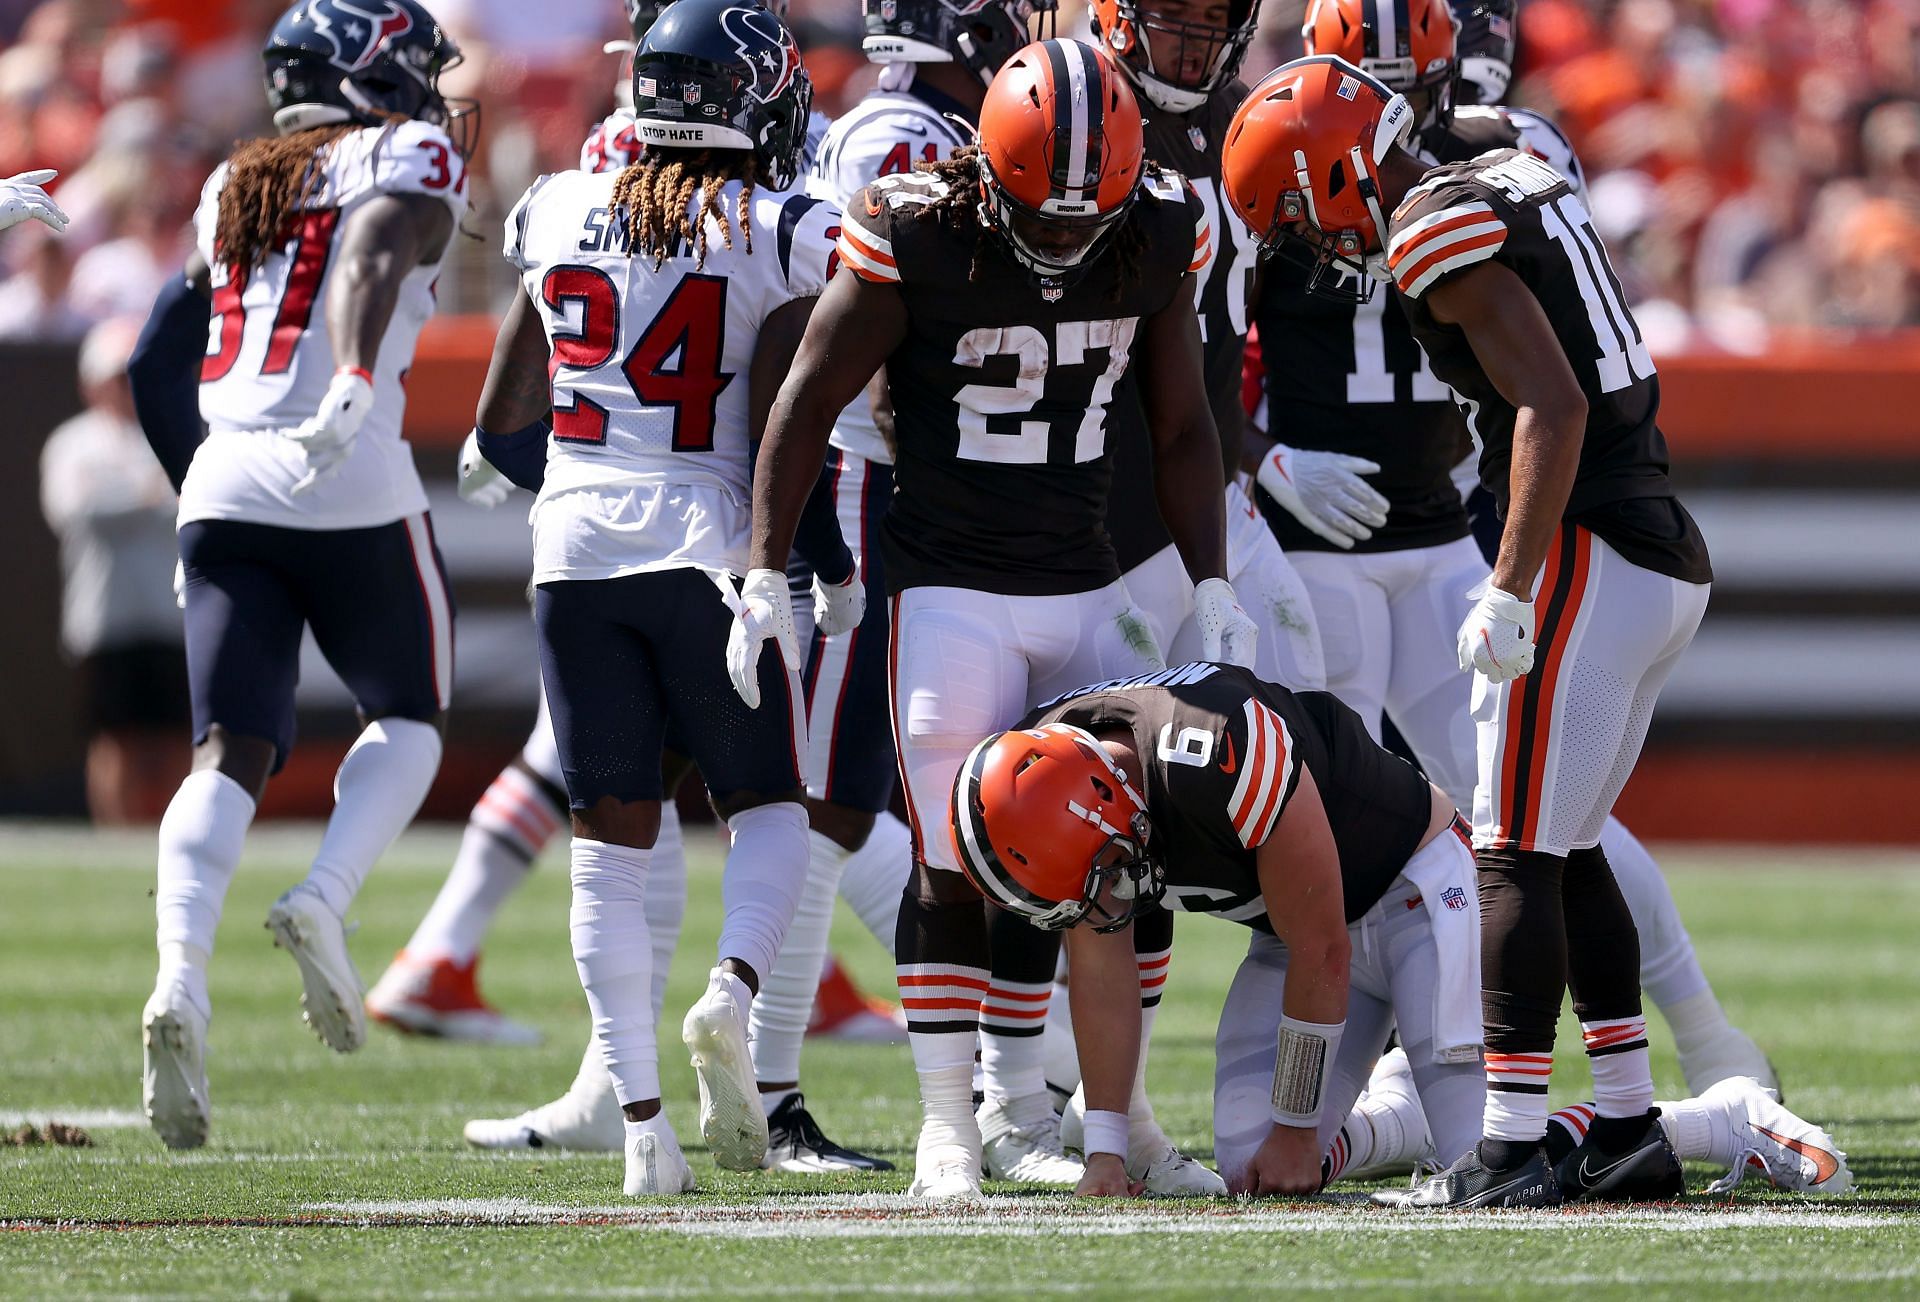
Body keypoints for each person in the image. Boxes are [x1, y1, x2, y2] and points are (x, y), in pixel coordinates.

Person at [747, 37, 1256, 1199]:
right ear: (988, 170)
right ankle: (948, 1127)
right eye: (1047, 213)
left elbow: (1182, 427)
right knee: (952, 857)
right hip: (954, 586)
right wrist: (762, 567)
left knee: (1120, 853)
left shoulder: (1158, 223)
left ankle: (1080, 1113)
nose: (1071, 238)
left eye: (1093, 217)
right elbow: (808, 395)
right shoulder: (915, 227)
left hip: (1091, 582)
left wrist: (1212, 581)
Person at [1222, 56, 1715, 1207]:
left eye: (1298, 205)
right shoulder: (1509, 170)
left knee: (1509, 851)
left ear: (1334, 168)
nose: (1310, 235)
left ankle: (1508, 1145)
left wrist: (1507, 583)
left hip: (1591, 549)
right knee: (1570, 844)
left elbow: (1555, 403)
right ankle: (1631, 1125)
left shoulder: (1432, 227)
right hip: (1652, 541)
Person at [450, 0, 893, 1176]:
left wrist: (593, 484)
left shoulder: (555, 205)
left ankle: (642, 1126)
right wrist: (825, 566)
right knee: (770, 813)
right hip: (705, 550)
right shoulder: (785, 225)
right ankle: (732, 997)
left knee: (608, 843)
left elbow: (501, 428)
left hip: (572, 554)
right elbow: (786, 432)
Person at [951, 662, 1854, 1201]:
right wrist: (1107, 1150)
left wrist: (1302, 1128)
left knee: (1495, 1170)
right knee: (1246, 1161)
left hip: (1418, 898)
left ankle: (1719, 1119)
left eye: (1105, 874)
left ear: (1112, 805)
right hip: (1300, 938)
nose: (1106, 902)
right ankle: (1407, 1090)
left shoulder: (1216, 748)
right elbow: (1103, 961)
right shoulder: (1066, 781)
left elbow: (1327, 950)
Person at [125, 0, 471, 1152]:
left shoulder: (235, 186)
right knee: (411, 714)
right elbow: (374, 244)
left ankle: (180, 971)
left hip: (224, 473)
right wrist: (360, 376)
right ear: (372, 73)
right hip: (350, 461)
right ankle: (322, 894)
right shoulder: (404, 151)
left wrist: (198, 489)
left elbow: (149, 360)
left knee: (229, 748)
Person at [39, 317, 187, 824]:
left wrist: (131, 501)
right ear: (91, 383)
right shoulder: (72, 443)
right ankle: (116, 842)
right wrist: (145, 498)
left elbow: (188, 503)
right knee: (114, 738)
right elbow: (75, 510)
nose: (127, 387)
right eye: (117, 377)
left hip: (170, 614)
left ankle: (173, 841)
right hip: (104, 617)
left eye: (133, 375)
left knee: (174, 738)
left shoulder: (171, 434)